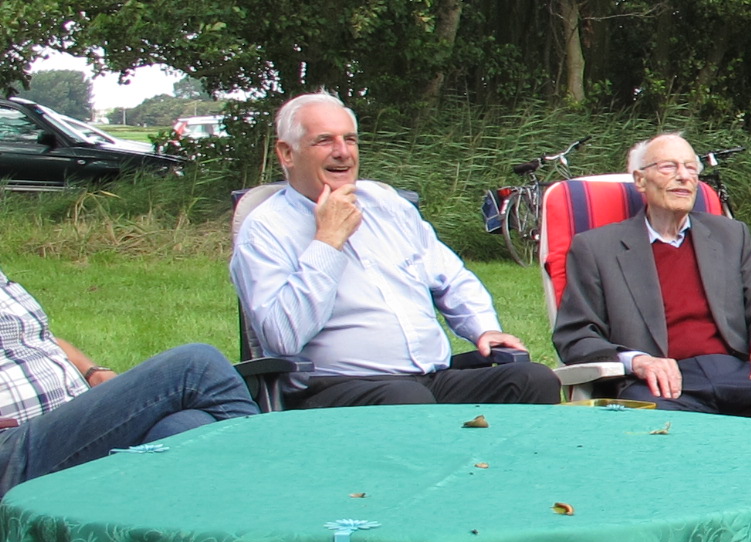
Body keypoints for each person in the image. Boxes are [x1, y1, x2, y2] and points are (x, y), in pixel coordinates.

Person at [234, 91, 562, 408]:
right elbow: (282, 337)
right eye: (324, 141)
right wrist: (328, 242)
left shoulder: (387, 205)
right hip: (332, 390)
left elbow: (451, 278)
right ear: (287, 153)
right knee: (406, 400)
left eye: (350, 139)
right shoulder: (265, 229)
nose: (342, 152)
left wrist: (484, 328)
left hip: (428, 380)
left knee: (533, 380)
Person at [553, 132, 751, 434]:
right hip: (661, 384)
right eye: (669, 167)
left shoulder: (730, 235)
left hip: (737, 372)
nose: (683, 176)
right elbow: (575, 335)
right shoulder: (597, 248)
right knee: (649, 422)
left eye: (691, 167)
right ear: (640, 180)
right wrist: (639, 362)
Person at [0, 269, 255, 491]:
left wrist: (92, 371)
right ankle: (269, 480)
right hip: (13, 450)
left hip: (64, 420)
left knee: (186, 427)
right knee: (196, 365)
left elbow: (35, 339)